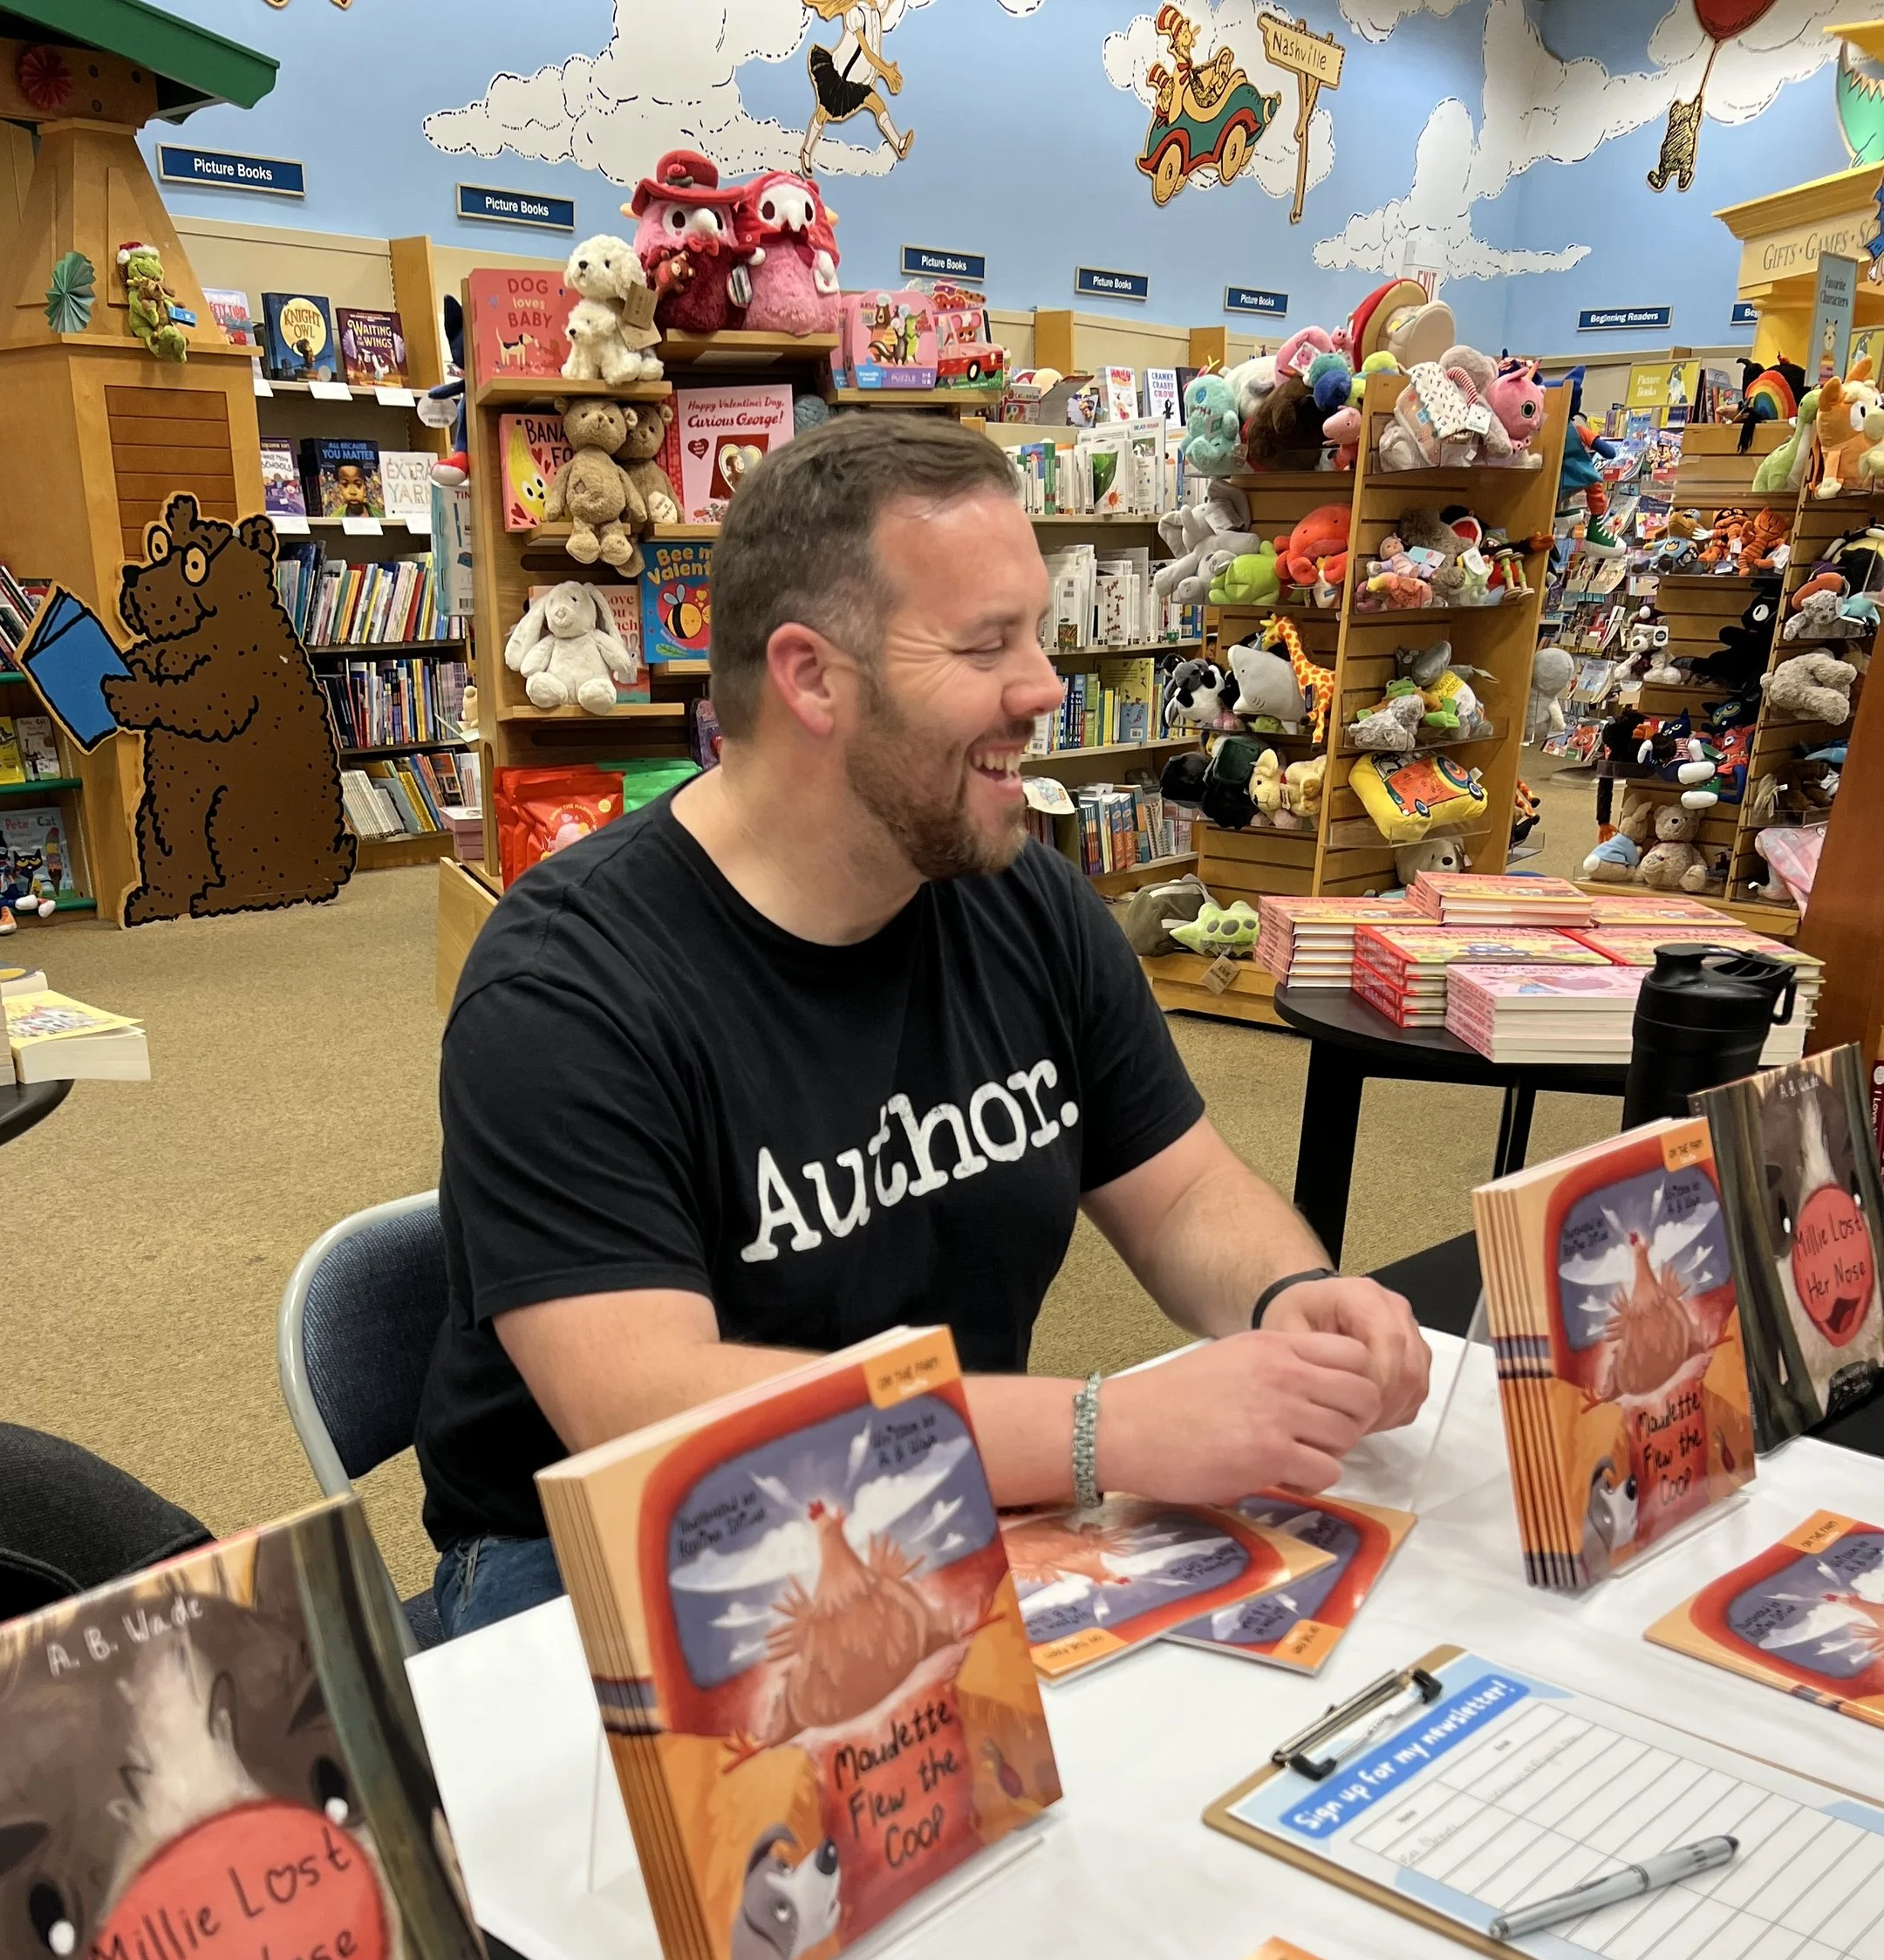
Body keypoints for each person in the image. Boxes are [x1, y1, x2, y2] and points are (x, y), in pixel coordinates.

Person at [415, 414, 1429, 1642]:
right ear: (812, 678)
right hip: (606, 1559)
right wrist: (1102, 1432)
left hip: (946, 1499)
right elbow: (652, 1415)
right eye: (987, 644)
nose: (1044, 687)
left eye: (1039, 633)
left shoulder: (1024, 899)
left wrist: (1291, 1298)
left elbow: (1178, 1192)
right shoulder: (565, 991)